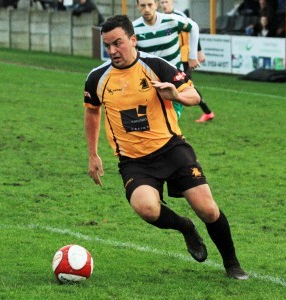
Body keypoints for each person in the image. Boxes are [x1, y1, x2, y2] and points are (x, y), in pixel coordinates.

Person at [84, 14, 249, 280]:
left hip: (171, 150)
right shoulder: (97, 78)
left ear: (133, 40)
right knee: (146, 208)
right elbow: (92, 112)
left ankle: (232, 263)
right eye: (108, 45)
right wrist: (93, 154)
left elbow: (194, 95)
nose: (112, 51)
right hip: (134, 161)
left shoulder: (156, 66)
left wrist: (176, 95)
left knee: (207, 209)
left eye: (118, 43)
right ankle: (185, 227)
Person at [159, 0, 215, 122]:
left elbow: (193, 30)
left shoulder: (179, 17)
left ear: (172, 2)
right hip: (173, 59)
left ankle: (207, 112)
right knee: (181, 86)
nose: (164, 5)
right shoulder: (162, 18)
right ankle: (207, 112)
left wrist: (198, 53)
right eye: (161, 2)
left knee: (186, 86)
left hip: (184, 59)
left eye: (166, 2)